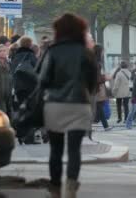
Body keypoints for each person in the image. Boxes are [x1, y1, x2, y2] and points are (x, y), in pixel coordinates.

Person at [38, 13, 98, 198]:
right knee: (74, 150)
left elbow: (43, 79)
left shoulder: (53, 51)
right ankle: (71, 186)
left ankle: (55, 188)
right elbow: (93, 81)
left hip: (55, 104)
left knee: (55, 149)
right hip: (79, 104)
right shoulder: (86, 53)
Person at [93, 44, 112, 131]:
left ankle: (97, 121)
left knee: (99, 105)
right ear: (99, 52)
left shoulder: (96, 62)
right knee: (99, 105)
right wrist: (105, 77)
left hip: (98, 87)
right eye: (102, 51)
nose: (103, 53)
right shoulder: (96, 63)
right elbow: (96, 77)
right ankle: (105, 125)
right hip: (97, 87)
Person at [0, 44, 13, 115]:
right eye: (0, 51)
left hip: (8, 96)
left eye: (4, 51)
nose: (2, 52)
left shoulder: (9, 65)